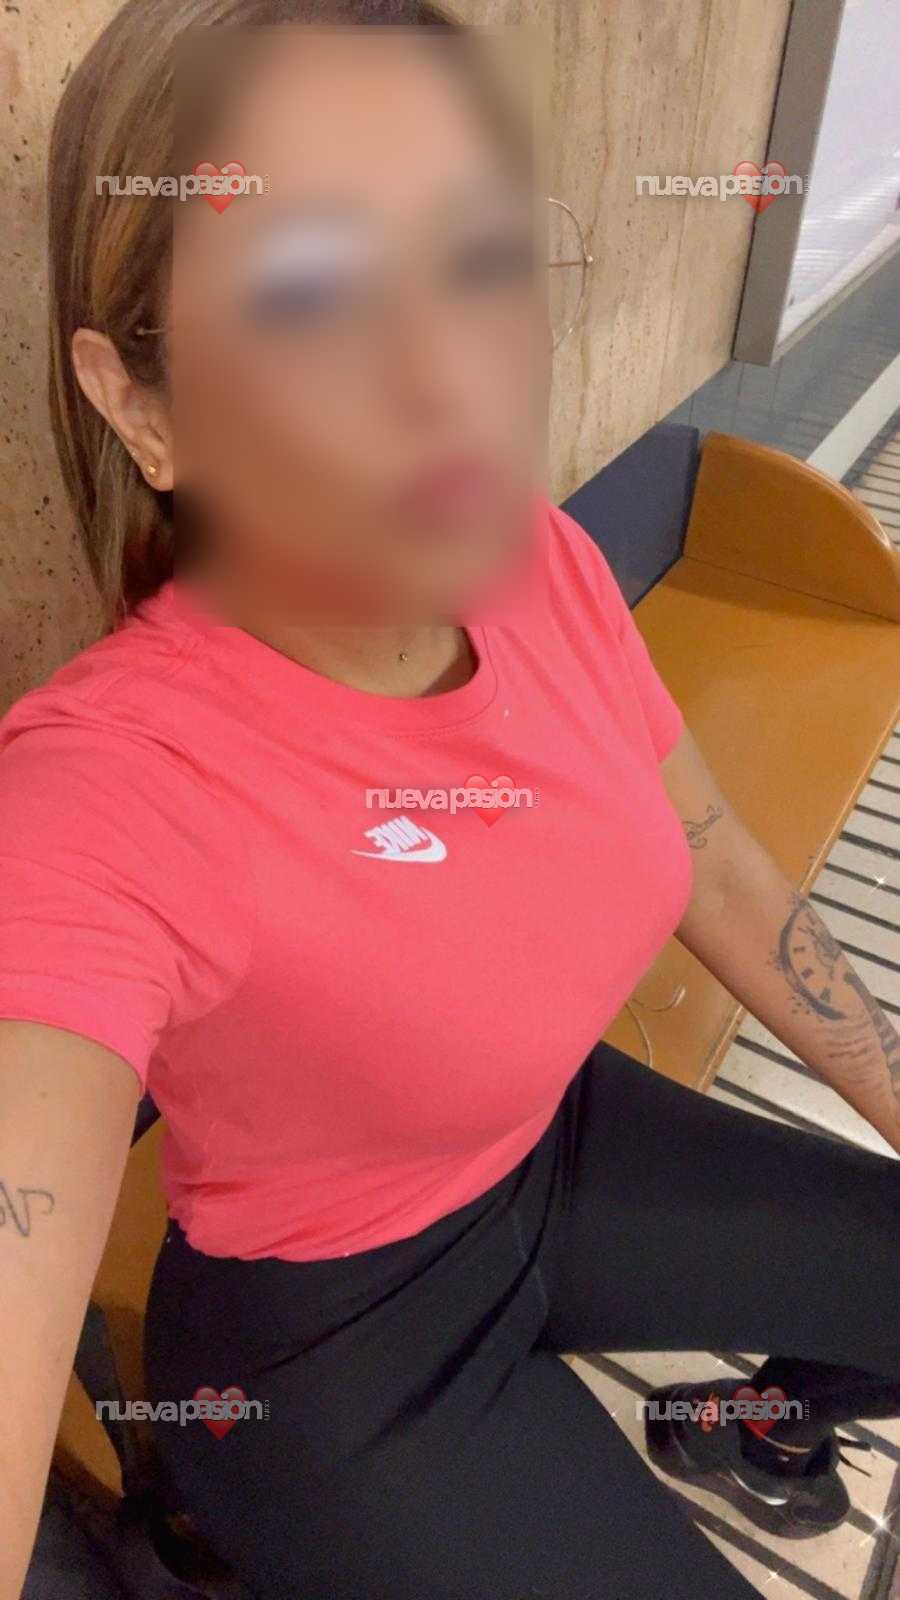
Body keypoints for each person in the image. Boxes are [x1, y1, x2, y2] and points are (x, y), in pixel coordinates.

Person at [1, 2, 898, 1597]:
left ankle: (751, 1427)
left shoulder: (539, 562)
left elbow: (712, 860)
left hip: (553, 1144)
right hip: (328, 1342)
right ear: (144, 406)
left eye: (477, 258)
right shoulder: (104, 791)